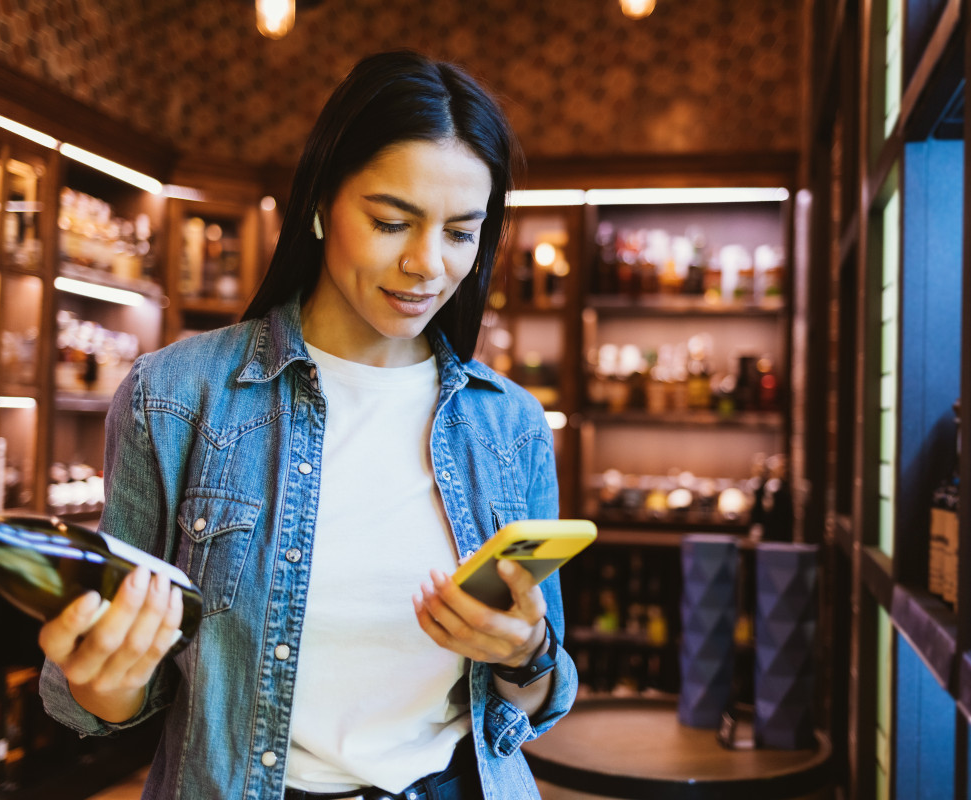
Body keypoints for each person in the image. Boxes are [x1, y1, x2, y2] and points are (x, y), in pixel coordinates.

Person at [38, 50, 576, 800]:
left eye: (461, 232)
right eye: (392, 221)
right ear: (322, 203)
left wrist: (527, 653)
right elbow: (112, 695)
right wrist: (102, 683)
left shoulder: (510, 425)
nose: (427, 263)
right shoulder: (178, 395)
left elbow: (534, 704)